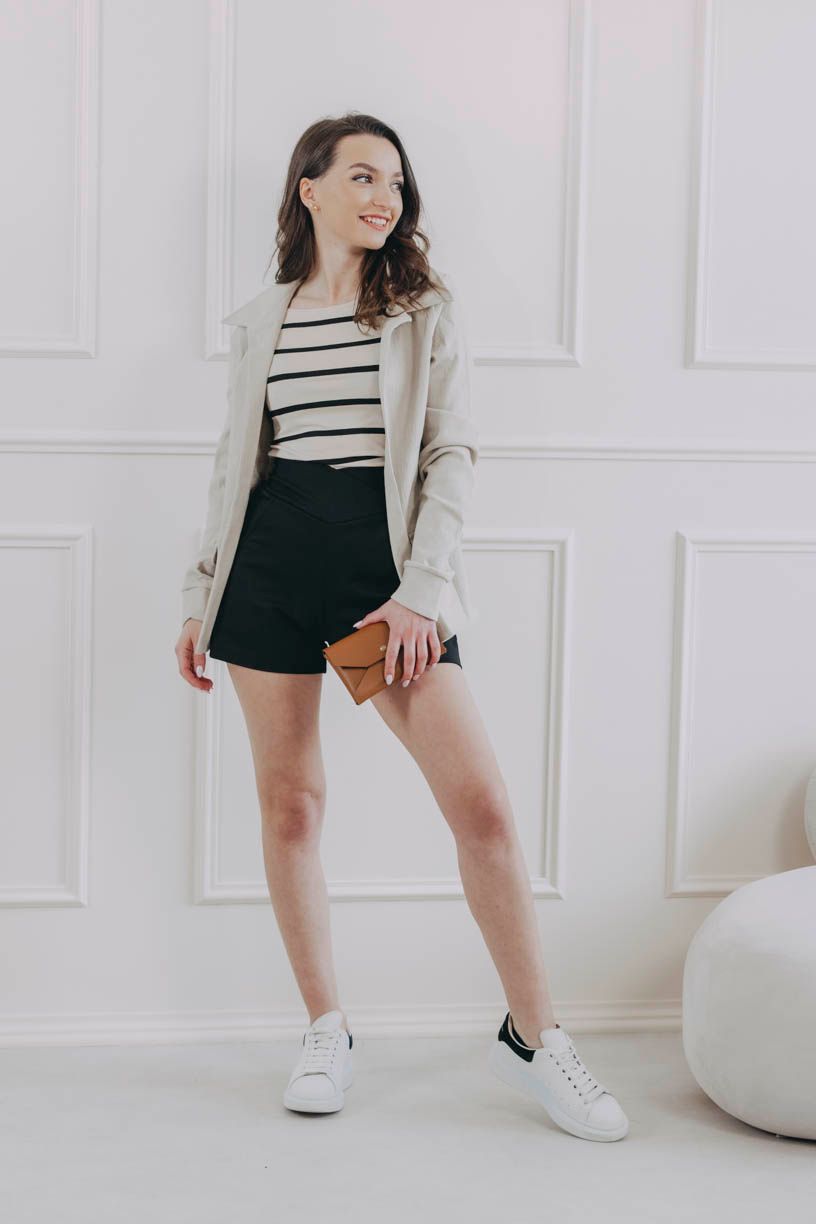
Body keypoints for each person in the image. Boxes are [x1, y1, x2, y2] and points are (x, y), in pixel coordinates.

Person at [174, 112, 628, 1142]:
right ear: (310, 189)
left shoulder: (422, 310)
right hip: (269, 567)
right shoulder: (263, 319)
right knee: (291, 807)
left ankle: (536, 1036)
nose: (386, 197)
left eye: (396, 182)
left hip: (383, 580)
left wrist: (420, 592)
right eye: (363, 177)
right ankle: (325, 1027)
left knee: (484, 811)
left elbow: (450, 454)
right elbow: (234, 466)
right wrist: (202, 594)